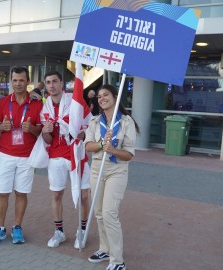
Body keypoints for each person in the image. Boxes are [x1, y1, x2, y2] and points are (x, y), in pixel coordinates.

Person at [84, 84, 139, 270]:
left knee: (109, 214)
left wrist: (112, 149)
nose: (101, 99)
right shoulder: (94, 121)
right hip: (97, 169)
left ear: (115, 97)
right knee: (98, 212)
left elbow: (129, 155)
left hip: (117, 170)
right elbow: (88, 146)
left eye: (105, 95)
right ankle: (105, 249)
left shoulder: (126, 122)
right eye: (99, 96)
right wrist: (101, 144)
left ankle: (117, 261)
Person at [0, 66, 43, 245]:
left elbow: (43, 131)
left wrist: (32, 128)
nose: (18, 83)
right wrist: (1, 127)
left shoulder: (37, 104)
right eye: (15, 80)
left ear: (27, 82)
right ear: (11, 81)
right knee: (2, 193)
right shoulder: (2, 102)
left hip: (27, 156)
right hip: (5, 154)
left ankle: (17, 227)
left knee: (21, 193)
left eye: (21, 80)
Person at [41, 71, 91, 249]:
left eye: (55, 81)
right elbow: (47, 139)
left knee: (85, 194)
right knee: (56, 194)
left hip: (77, 153)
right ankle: (59, 232)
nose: (52, 85)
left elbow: (88, 127)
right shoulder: (45, 107)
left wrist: (82, 133)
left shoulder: (75, 101)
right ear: (45, 85)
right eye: (48, 82)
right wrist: (45, 130)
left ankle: (82, 230)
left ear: (62, 83)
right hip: (56, 155)